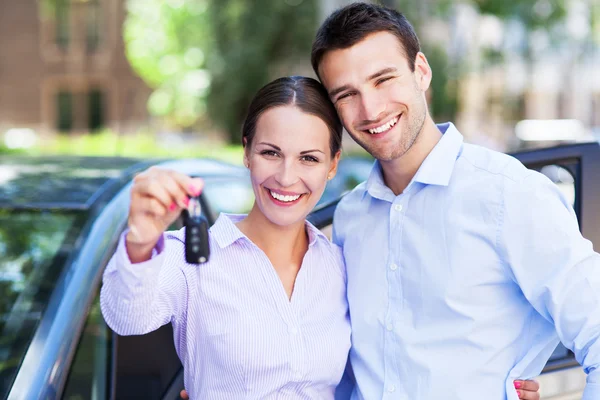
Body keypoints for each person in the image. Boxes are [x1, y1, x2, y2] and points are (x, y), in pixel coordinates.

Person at [309, 2, 600, 400]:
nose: (371, 109)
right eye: (347, 94)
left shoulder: (510, 195)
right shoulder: (349, 217)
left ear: (421, 71)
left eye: (383, 79)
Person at [100, 76, 352, 399]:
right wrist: (140, 241)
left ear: (332, 165)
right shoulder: (191, 259)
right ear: (246, 152)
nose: (287, 177)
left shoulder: (340, 267)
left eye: (309, 158)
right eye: (271, 153)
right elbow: (126, 317)